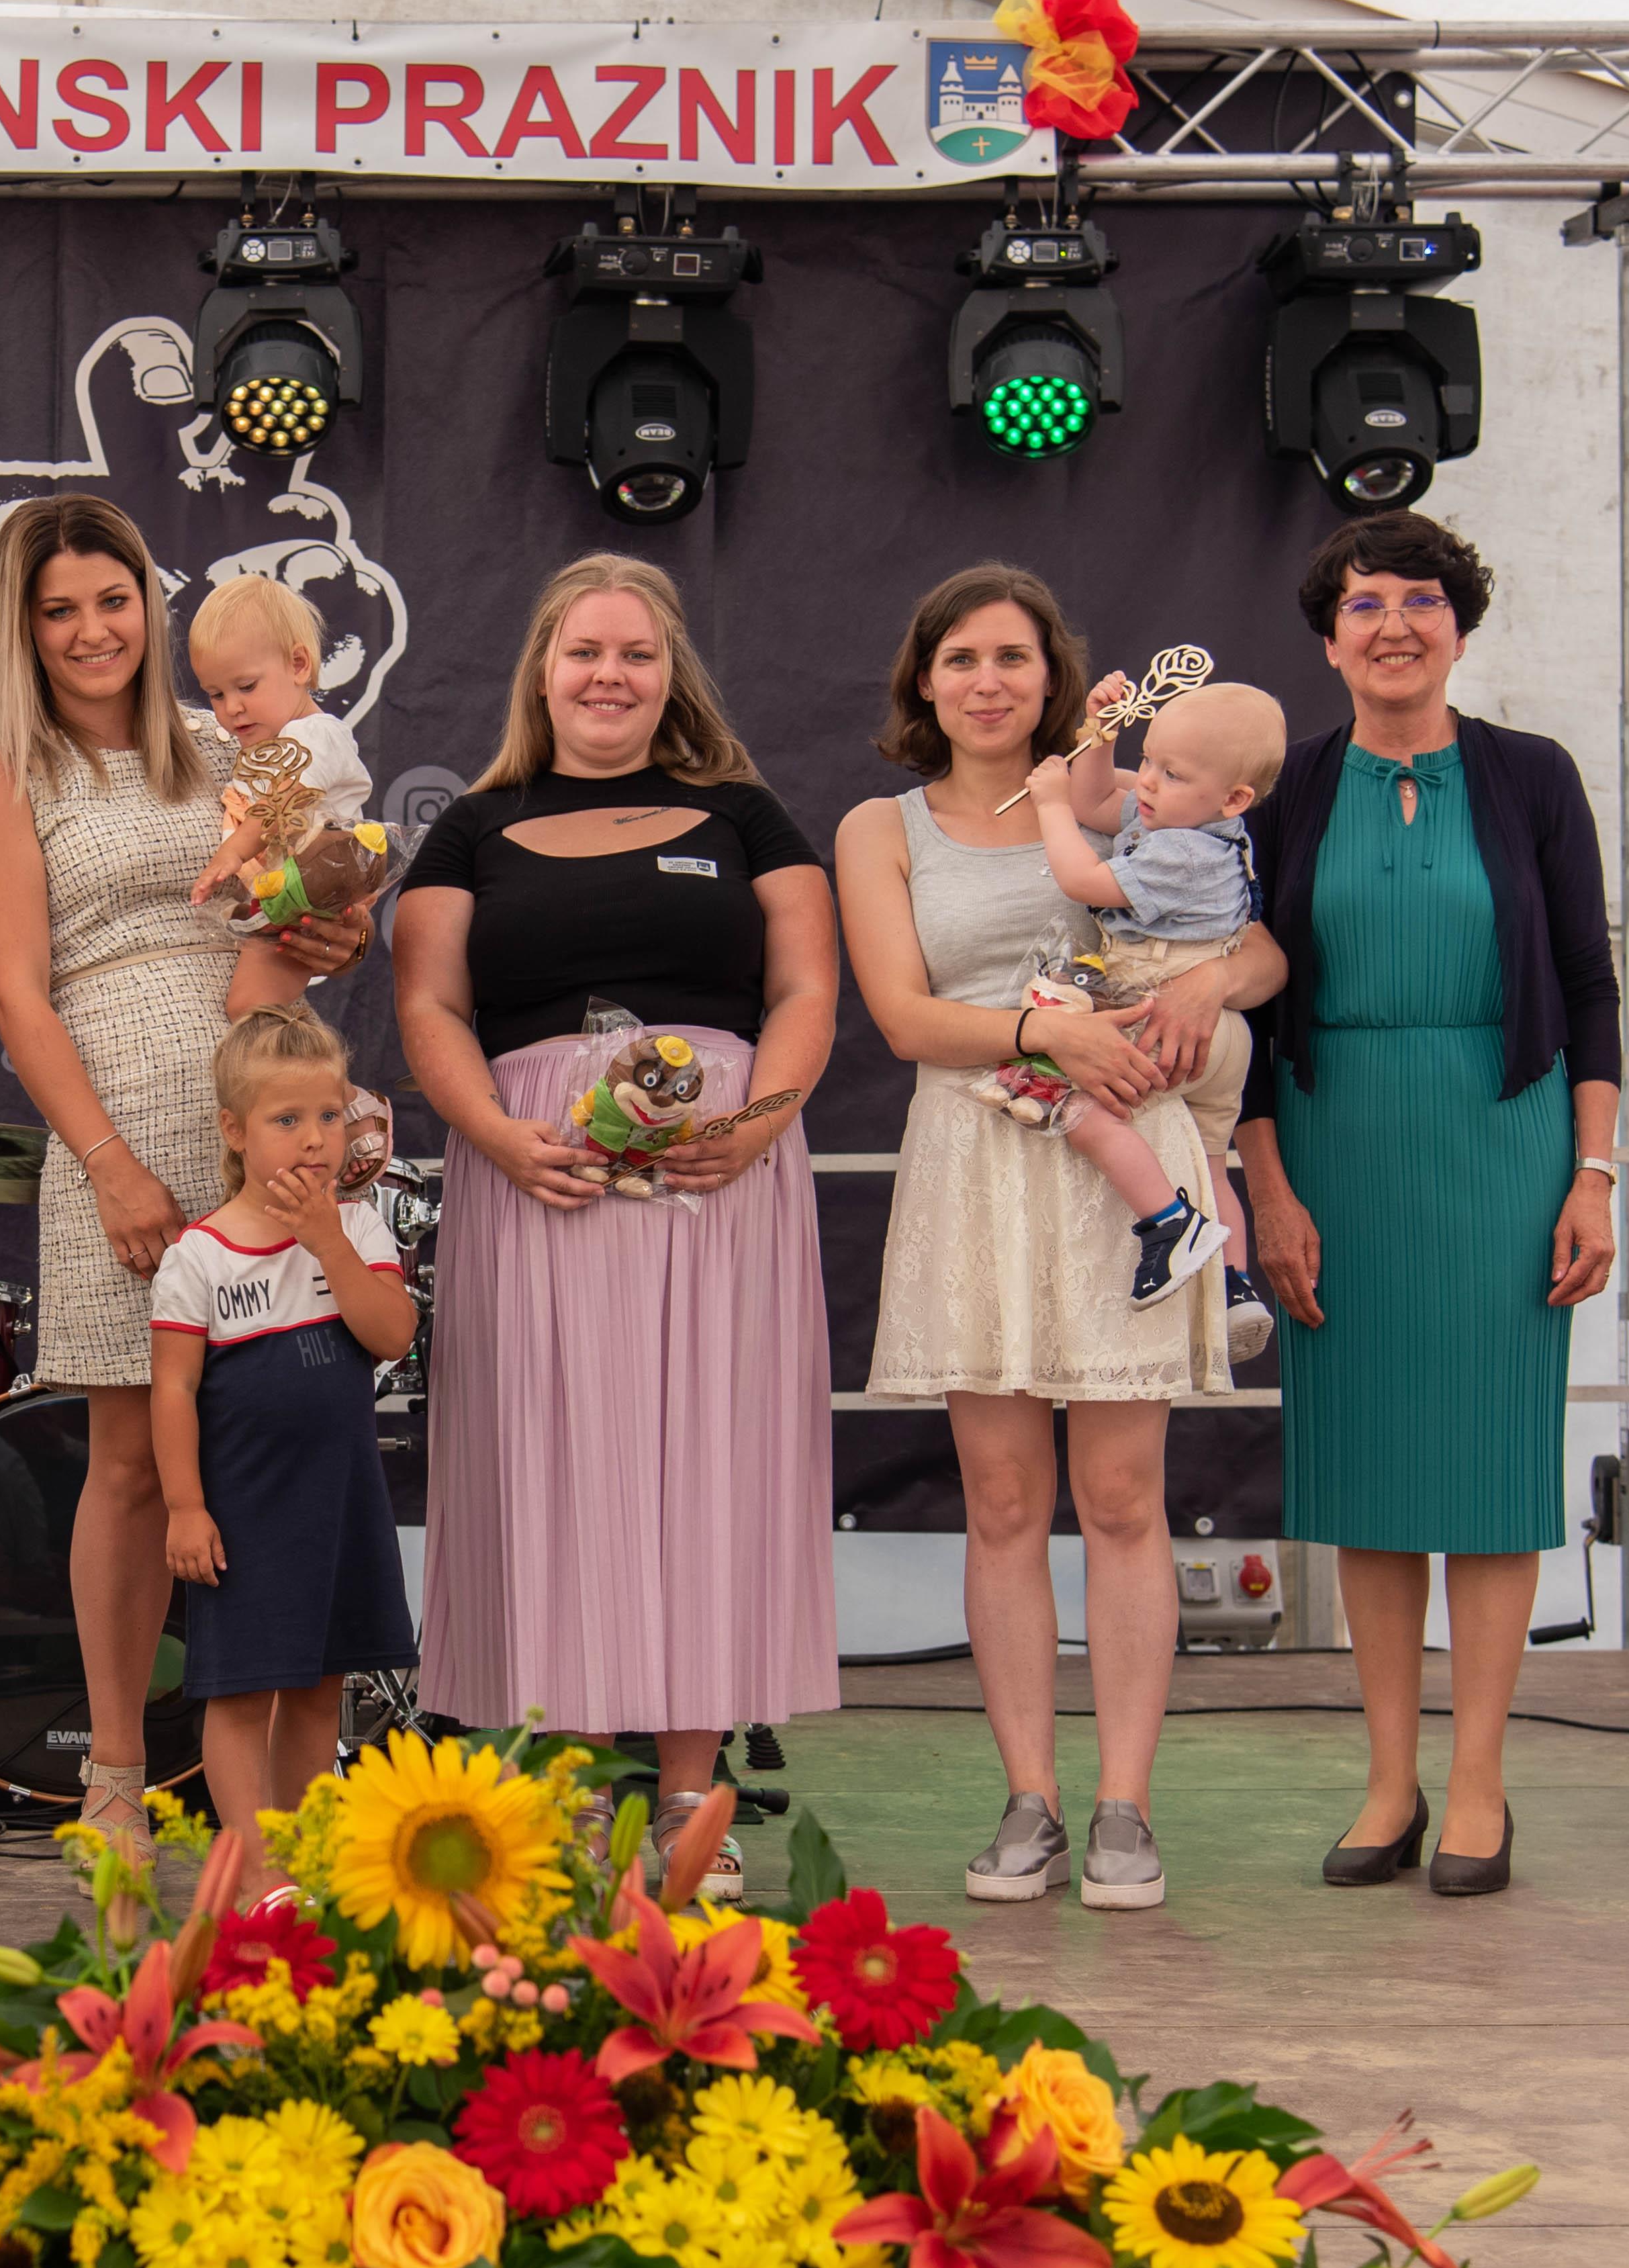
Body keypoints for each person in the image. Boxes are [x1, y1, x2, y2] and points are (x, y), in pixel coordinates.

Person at [836, 563, 1287, 1913]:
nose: (987, 681)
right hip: (976, 1152)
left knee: (1126, 1498)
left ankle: (1125, 1808)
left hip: (1123, 1157)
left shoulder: (1127, 797)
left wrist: (1210, 983)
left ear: (1052, 678)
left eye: (1013, 658)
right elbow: (904, 1019)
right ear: (924, 681)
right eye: (961, 658)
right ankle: (1027, 1798)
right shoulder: (880, 828)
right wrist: (1048, 1034)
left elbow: (1260, 949)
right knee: (1001, 1502)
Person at [398, 552, 839, 1901]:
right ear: (542, 670)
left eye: (636, 653)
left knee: (708, 1463)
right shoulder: (471, 829)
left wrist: (754, 1121)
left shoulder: (744, 814)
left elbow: (806, 987)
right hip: (540, 1180)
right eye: (584, 651)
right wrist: (495, 1132)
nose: (610, 674)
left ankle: (693, 1795)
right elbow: (429, 1006)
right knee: (555, 1463)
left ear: (669, 672)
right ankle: (581, 1791)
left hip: (718, 1180)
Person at [0, 493, 371, 1882]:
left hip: (266, 1100)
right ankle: (117, 1776)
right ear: (23, 628)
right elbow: (13, 993)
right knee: (132, 1461)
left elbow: (314, 892)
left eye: (113, 600)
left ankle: (291, 1790)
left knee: (289, 1432)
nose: (91, 631)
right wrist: (110, 1164)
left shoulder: (230, 740)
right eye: (59, 609)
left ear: (150, 603)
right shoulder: (3, 771)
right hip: (115, 1122)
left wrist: (338, 927)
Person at [1234, 513, 1619, 1899]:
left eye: (1419, 598)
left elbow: (1588, 985)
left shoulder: (1534, 775)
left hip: (1505, 1138)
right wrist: (1266, 1184)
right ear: (1326, 637)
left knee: (1492, 1476)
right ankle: (1389, 1783)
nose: (1392, 622)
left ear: (1460, 626)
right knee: (1373, 1477)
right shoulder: (1286, 787)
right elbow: (1243, 1010)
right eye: (1362, 602)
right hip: (1333, 1146)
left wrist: (1593, 1174)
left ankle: (1477, 1787)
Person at [152, 1004, 417, 1897]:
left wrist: (329, 1243)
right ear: (234, 1130)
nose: (314, 1139)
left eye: (330, 1115)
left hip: (336, 1506)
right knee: (239, 1693)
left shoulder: (359, 1230)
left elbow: (390, 1334)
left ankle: (302, 1863)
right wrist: (185, 1506)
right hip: (242, 1515)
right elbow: (173, 1390)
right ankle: (255, 1874)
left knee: (315, 1688)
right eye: (287, 1119)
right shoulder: (199, 1256)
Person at [1017, 680, 1291, 1318]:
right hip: (1222, 1034)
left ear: (1235, 797)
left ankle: (1169, 1223)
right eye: (1146, 759)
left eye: (1172, 773)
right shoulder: (1198, 821)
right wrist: (1100, 735)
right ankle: (1234, 1288)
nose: (1146, 780)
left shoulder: (1182, 852)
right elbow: (1095, 799)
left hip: (1168, 1019)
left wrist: (1050, 805)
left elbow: (1082, 877)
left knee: (1078, 1107)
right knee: (1212, 1162)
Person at [185, 573, 375, 1019]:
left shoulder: (316, 735)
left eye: (246, 687)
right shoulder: (267, 744)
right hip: (286, 891)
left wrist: (234, 851)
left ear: (299, 664)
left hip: (311, 893)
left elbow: (285, 801)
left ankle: (307, 1066)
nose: (232, 708)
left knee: (248, 1008)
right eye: (216, 694)